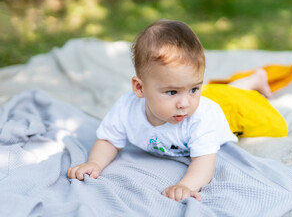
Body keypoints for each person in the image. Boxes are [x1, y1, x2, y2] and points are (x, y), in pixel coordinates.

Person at [67, 19, 272, 202]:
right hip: (205, 99)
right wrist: (94, 163)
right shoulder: (126, 109)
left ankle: (254, 79)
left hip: (224, 114)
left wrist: (186, 186)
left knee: (230, 97)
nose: (184, 103)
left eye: (194, 88)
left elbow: (204, 161)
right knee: (216, 92)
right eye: (172, 91)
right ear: (140, 88)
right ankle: (246, 80)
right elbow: (109, 140)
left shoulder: (202, 117)